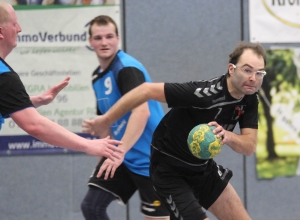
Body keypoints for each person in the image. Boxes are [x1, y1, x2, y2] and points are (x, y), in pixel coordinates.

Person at [83, 41, 267, 220]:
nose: (253, 78)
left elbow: (249, 146)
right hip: (169, 171)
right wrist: (106, 120)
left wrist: (228, 136)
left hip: (202, 169)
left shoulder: (249, 99)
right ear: (231, 69)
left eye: (259, 73)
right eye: (247, 70)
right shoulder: (203, 94)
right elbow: (146, 90)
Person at [0, 2, 123, 160]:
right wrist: (88, 144)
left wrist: (35, 101)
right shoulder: (4, 76)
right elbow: (35, 125)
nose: (19, 29)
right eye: (14, 23)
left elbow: (6, 100)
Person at [80, 15, 170, 220]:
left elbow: (142, 112)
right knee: (91, 207)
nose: (104, 42)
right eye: (98, 37)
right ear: (90, 41)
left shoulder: (127, 69)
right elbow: (106, 126)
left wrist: (119, 152)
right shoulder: (97, 78)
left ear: (118, 39)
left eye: (109, 36)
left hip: (152, 162)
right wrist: (101, 160)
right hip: (123, 158)